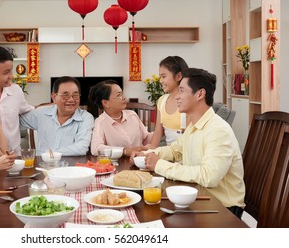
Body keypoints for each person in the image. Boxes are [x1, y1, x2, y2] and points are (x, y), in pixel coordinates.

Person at [132, 68, 245, 218]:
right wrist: (147, 154)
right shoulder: (193, 125)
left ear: (200, 94)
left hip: (222, 208)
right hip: (199, 197)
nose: (177, 97)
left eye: (182, 91)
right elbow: (175, 150)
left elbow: (208, 176)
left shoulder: (218, 130)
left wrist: (159, 164)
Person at [19, 76, 94, 156]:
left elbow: (81, 148)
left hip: (72, 166)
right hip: (43, 165)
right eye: (65, 95)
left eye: (75, 95)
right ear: (54, 97)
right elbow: (14, 121)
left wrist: (49, 154)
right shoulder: (41, 113)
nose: (71, 100)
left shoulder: (86, 118)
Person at [88, 80, 153, 156]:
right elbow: (96, 148)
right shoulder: (100, 122)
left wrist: (161, 129)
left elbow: (146, 137)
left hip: (140, 161)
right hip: (118, 164)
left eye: (122, 94)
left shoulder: (132, 115)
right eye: (118, 95)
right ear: (105, 103)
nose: (124, 98)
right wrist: (125, 151)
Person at [150, 56, 189, 147]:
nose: (160, 81)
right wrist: (149, 152)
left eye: (164, 76)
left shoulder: (189, 101)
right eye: (160, 77)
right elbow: (157, 134)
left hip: (186, 156)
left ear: (178, 76)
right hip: (168, 156)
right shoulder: (162, 101)